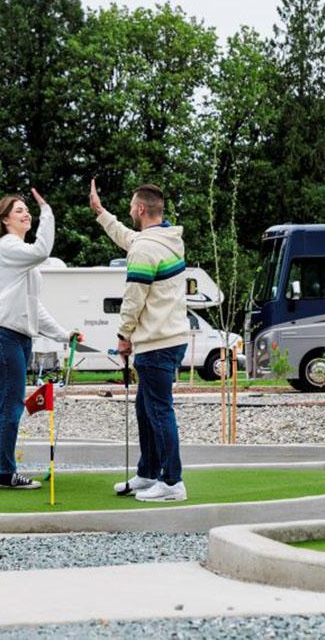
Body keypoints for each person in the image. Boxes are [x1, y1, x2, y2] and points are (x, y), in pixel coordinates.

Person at [89, 179, 190, 502]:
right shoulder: (165, 239)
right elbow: (129, 238)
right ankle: (148, 474)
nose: (130, 210)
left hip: (156, 342)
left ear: (141, 209)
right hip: (169, 338)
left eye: (132, 206)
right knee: (146, 409)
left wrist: (123, 337)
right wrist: (101, 213)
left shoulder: (146, 249)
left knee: (159, 411)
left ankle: (172, 483)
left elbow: (133, 299)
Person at [0, 189, 80, 490]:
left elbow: (33, 306)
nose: (26, 214)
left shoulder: (19, 256)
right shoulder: (8, 246)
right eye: (19, 210)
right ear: (5, 219)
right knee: (10, 405)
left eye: (27, 210)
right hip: (4, 337)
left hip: (15, 337)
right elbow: (43, 250)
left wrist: (63, 334)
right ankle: (6, 473)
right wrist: (47, 210)